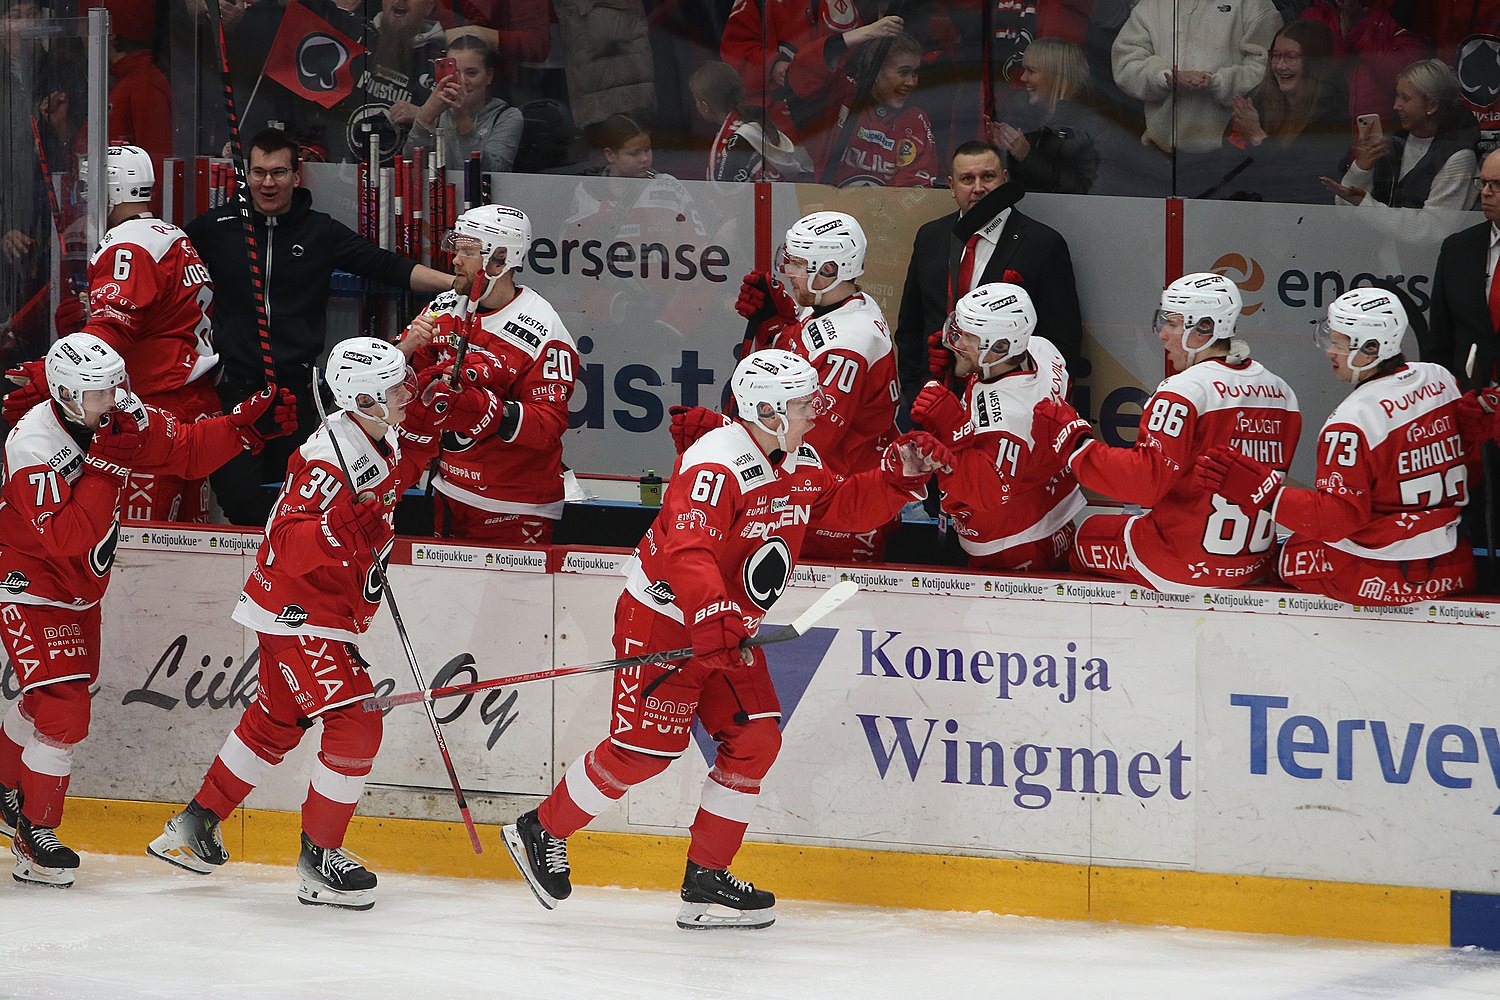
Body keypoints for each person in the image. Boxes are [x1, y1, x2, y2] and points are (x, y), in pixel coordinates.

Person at [501, 348, 955, 929]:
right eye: (800, 403)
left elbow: (839, 505)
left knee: (756, 739)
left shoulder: (797, 456)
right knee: (645, 752)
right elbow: (690, 551)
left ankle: (706, 877)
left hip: (725, 629)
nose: (814, 411)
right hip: (666, 623)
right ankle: (541, 827)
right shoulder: (716, 465)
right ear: (766, 411)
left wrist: (901, 475)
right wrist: (712, 618)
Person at [145, 337, 473, 909]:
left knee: (275, 721)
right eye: (397, 387)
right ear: (364, 398)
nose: (407, 392)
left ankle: (193, 827)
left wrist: (426, 427)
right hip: (300, 611)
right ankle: (319, 861)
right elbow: (293, 543)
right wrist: (348, 525)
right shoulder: (327, 460)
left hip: (320, 609)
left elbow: (395, 476)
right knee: (356, 724)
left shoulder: (376, 434)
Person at [0, 333, 294, 887]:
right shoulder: (32, 444)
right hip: (29, 578)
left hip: (82, 586)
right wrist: (107, 469)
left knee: (54, 695)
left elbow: (182, 450)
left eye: (117, 385)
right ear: (65, 394)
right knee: (64, 708)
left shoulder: (116, 412)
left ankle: (4, 784)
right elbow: (65, 536)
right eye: (97, 391)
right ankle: (34, 835)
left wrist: (241, 429)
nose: (114, 399)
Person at [185, 128, 455, 526]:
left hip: (297, 394)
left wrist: (457, 285)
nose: (267, 183)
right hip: (234, 392)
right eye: (258, 172)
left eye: (278, 172)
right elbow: (167, 261)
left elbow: (385, 265)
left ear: (296, 176)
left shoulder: (319, 231)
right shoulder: (220, 226)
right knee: (239, 500)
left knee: (294, 503)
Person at [1198, 288, 1475, 605]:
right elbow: (1474, 467)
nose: (1329, 350)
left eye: (1339, 342)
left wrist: (1264, 492)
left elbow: (1335, 521)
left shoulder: (1352, 422)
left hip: (1374, 574)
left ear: (1372, 347)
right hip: (1455, 567)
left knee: (1262, 561)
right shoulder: (1440, 379)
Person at [1033, 272, 1302, 591]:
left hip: (1177, 564)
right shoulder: (1282, 393)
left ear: (1205, 329)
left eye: (1173, 323)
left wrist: (1075, 442)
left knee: (1082, 537)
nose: (1162, 334)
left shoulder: (1184, 390)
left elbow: (1143, 484)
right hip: (1251, 564)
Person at [5, 146, 224, 522]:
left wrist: (53, 372)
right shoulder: (173, 237)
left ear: (110, 190)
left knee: (139, 539)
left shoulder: (129, 246)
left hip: (155, 409)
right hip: (195, 406)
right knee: (187, 538)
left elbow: (114, 328)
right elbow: (151, 320)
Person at [397, 205, 577, 544]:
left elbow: (549, 424)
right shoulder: (443, 306)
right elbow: (399, 386)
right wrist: (405, 350)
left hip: (516, 505)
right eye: (457, 249)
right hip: (446, 490)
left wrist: (482, 409)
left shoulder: (545, 329)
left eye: (467, 252)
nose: (454, 261)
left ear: (500, 260)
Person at [733, 212, 901, 562]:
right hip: (824, 496)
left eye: (798, 264)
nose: (788, 272)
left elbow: (802, 438)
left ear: (829, 271)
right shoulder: (831, 308)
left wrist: (727, 439)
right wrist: (776, 328)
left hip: (840, 512)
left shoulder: (848, 345)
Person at [894, 140, 1084, 419]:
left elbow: (1061, 342)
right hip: (935, 403)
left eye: (988, 177)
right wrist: (915, 392)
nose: (978, 188)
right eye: (967, 179)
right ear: (951, 186)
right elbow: (910, 327)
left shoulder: (1042, 244)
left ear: (1005, 180)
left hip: (1007, 409)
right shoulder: (930, 237)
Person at [909, 283, 1083, 570]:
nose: (954, 342)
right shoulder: (1041, 349)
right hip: (1050, 514)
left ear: (1002, 347)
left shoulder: (1008, 416)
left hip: (1012, 542)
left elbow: (991, 491)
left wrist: (954, 430)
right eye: (959, 330)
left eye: (968, 337)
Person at [1110, 0, 1282, 194]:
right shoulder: (1152, 5)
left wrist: (1217, 82)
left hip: (1230, 159)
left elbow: (1270, 65)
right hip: (1159, 157)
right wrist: (1164, 76)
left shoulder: (1252, 3)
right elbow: (1125, 63)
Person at [1425, 148, 1500, 587]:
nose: (1485, 193)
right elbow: (1440, 340)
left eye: (1495, 186)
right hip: (1469, 413)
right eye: (1482, 184)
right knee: (1475, 511)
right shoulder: (1458, 249)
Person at [1219, 20, 1351, 204]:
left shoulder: (1333, 113)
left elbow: (1306, 181)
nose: (1280, 66)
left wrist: (1257, 137)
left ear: (1313, 63)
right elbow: (1228, 159)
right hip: (1253, 207)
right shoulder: (1259, 98)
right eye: (1276, 56)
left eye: (1290, 57)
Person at [1325, 59, 1479, 212]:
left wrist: (1364, 204)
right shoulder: (1391, 144)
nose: (1396, 106)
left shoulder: (1459, 158)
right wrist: (1361, 169)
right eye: (1396, 96)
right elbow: (1343, 208)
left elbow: (1431, 229)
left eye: (1405, 98)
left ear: (1431, 105)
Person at [991, 37, 1110, 195]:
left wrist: (1027, 156)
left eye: (1031, 71)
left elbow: (1086, 191)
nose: (1022, 78)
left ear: (1057, 76)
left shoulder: (1093, 126)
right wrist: (1002, 150)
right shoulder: (1024, 119)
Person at [826, 32, 939, 188]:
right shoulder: (843, 98)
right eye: (904, 72)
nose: (911, 82)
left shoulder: (915, 120)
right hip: (827, 208)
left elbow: (916, 185)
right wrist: (867, 32)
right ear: (875, 71)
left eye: (914, 73)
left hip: (886, 211)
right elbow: (808, 73)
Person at [403, 34, 524, 173]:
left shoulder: (506, 116)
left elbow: (493, 173)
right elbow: (411, 169)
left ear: (489, 76)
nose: (462, 81)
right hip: (440, 192)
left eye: (471, 73)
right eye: (454, 73)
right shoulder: (438, 110)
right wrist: (425, 118)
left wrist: (462, 119)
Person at [690, 60, 811, 184]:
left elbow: (722, 194)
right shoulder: (755, 124)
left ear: (705, 106)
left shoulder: (738, 140)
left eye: (696, 100)